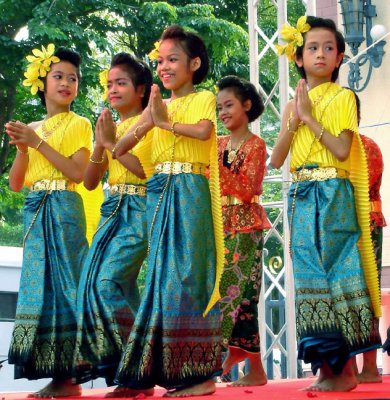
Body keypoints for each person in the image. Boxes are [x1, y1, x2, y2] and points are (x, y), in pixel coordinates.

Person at [110, 25, 224, 397]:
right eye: (159, 61)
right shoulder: (158, 106)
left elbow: (206, 132)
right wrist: (137, 128)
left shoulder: (204, 96)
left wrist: (164, 123)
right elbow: (120, 147)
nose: (164, 66)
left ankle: (201, 375)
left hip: (189, 188)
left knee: (187, 276)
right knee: (160, 281)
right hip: (157, 191)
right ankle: (160, 375)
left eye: (172, 59)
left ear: (194, 63)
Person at [271, 16, 381, 392]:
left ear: (340, 57)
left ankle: (347, 371)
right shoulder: (290, 105)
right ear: (298, 57)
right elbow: (276, 159)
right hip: (301, 194)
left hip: (333, 192)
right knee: (308, 279)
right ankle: (324, 369)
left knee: (338, 272)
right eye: (312, 48)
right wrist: (294, 120)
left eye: (328, 48)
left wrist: (308, 119)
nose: (320, 54)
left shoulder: (343, 97)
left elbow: (341, 148)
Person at [5, 45, 92, 398]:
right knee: (37, 291)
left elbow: (78, 171)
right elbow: (14, 183)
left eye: (73, 78)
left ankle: (69, 379)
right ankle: (55, 377)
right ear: (42, 83)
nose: (66, 83)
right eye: (58, 76)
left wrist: (37, 143)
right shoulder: (31, 129)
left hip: (65, 205)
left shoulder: (80, 123)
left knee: (66, 288)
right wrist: (24, 148)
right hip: (35, 208)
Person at [73, 53, 154, 386]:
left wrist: (110, 143)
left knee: (106, 284)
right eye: (109, 84)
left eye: (121, 83)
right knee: (95, 284)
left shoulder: (151, 123)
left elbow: (147, 172)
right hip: (111, 210)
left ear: (141, 90)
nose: (113, 89)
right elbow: (91, 181)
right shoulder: (113, 126)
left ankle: (140, 364)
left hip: (138, 211)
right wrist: (99, 143)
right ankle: (131, 376)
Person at [216, 75, 270, 386]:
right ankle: (255, 370)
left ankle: (232, 358)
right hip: (220, 223)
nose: (222, 112)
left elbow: (249, 188)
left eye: (228, 105)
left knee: (240, 293)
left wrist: (217, 175)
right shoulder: (219, 143)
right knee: (241, 295)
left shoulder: (256, 144)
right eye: (219, 107)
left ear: (246, 106)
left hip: (246, 224)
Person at [350, 91, 386, 383]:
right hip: (336, 229)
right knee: (342, 295)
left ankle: (370, 366)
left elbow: (359, 187)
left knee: (366, 292)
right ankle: (346, 366)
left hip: (366, 225)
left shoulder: (367, 147)